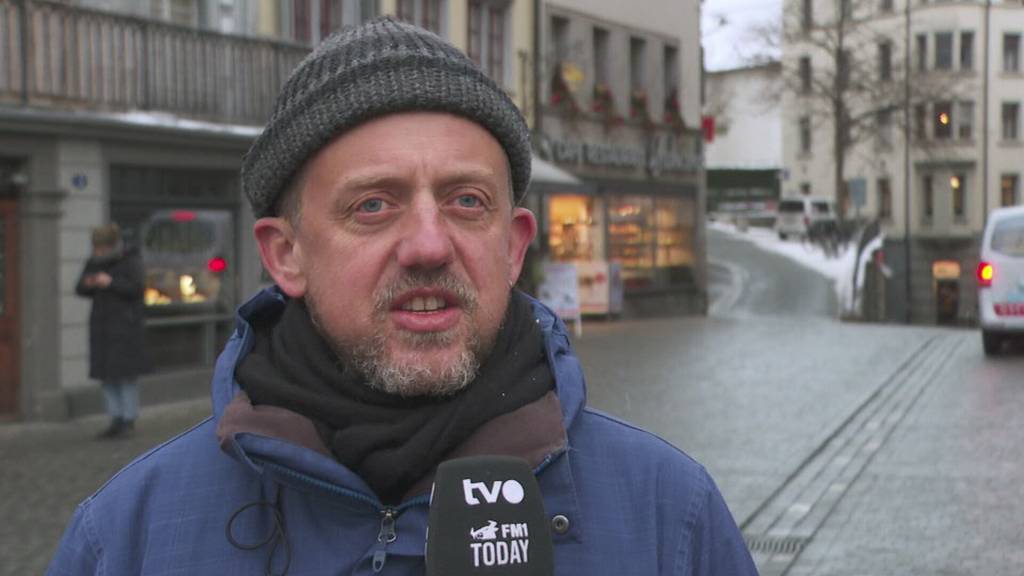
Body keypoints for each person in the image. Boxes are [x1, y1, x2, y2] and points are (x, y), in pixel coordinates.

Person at [48, 17, 757, 575]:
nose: (428, 244)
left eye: (467, 200)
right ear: (285, 254)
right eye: (373, 206)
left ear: (513, 247)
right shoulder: (129, 537)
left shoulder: (670, 514)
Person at [74, 223, 148, 439]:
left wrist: (111, 282)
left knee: (125, 375)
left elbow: (137, 288)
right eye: (96, 248)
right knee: (106, 375)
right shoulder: (94, 262)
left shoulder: (130, 259)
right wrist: (89, 283)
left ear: (111, 245)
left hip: (124, 327)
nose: (98, 252)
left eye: (102, 248)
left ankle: (128, 418)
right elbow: (79, 288)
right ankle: (115, 417)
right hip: (101, 326)